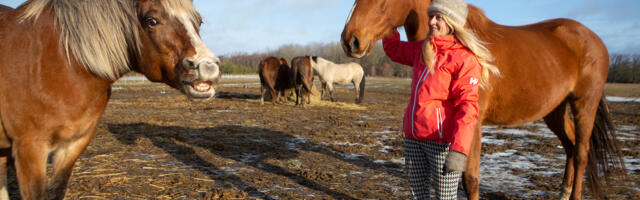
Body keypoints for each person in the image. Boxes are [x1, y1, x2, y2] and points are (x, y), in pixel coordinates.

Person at [382, 0, 500, 199]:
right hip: (413, 139)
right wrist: (388, 24)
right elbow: (394, 50)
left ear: (453, 22)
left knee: (445, 198)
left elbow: (468, 108)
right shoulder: (423, 48)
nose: (432, 22)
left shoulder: (464, 59)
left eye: (439, 17)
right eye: (431, 16)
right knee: (417, 196)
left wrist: (459, 150)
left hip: (441, 145)